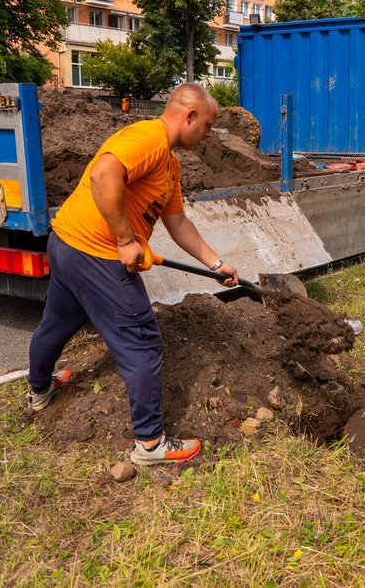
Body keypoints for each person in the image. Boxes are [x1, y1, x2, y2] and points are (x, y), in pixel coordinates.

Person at [26, 83, 239, 466]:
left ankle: (39, 391)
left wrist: (214, 262)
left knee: (56, 324)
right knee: (141, 342)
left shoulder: (170, 165)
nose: (207, 136)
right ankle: (150, 444)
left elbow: (177, 222)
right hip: (96, 253)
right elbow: (103, 174)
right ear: (189, 116)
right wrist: (125, 239)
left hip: (68, 243)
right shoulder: (148, 138)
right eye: (206, 127)